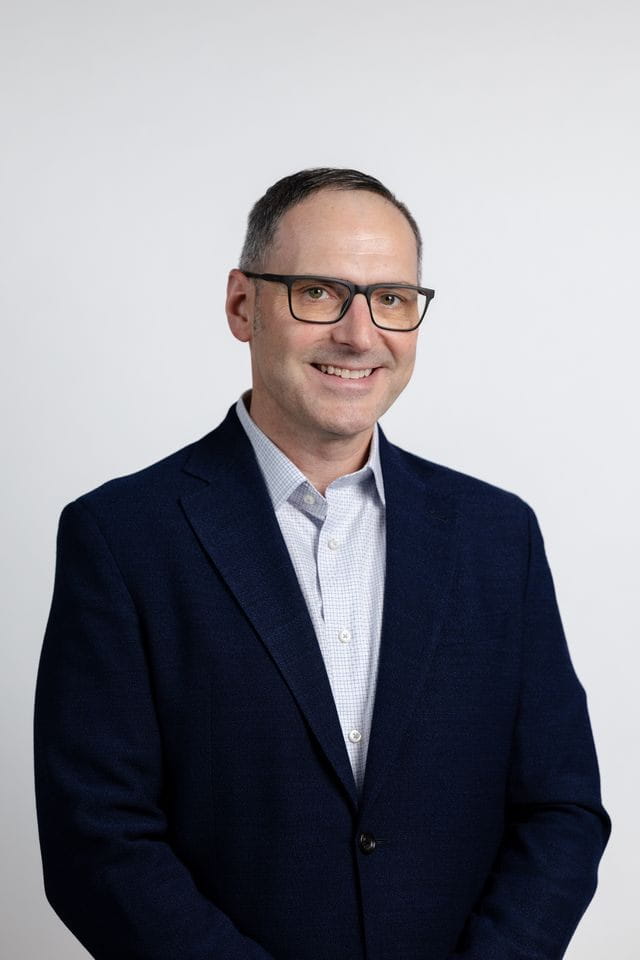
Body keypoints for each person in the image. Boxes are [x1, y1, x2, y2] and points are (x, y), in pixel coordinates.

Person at [33, 167, 611, 960]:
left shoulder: (496, 536)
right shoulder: (123, 537)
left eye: (392, 298)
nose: (359, 333)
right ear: (244, 305)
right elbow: (95, 841)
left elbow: (562, 810)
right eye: (318, 292)